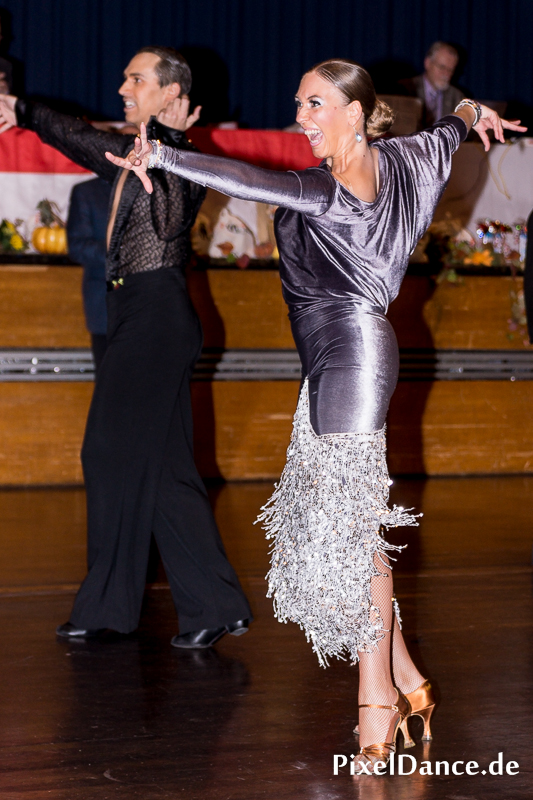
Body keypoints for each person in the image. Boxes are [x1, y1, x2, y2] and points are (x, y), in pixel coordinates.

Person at [106, 58, 525, 770]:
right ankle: (409, 680)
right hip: (342, 358)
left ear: (355, 113)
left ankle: (375, 699)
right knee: (337, 525)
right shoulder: (410, 157)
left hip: (351, 356)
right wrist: (472, 112)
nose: (300, 117)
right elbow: (451, 128)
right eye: (298, 103)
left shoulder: (326, 190)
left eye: (314, 104)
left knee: (353, 532)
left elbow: (247, 180)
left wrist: (166, 155)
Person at [0, 46, 251, 647]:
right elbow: (77, 136)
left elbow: (167, 225)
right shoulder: (129, 152)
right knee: (164, 472)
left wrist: (165, 154)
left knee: (106, 453)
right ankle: (216, 605)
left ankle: (108, 608)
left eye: (136, 79)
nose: (122, 87)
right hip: (134, 314)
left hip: (156, 316)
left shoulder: (184, 160)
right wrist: (20, 110)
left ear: (171, 94)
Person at [67, 177, 111, 373]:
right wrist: (120, 250)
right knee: (108, 379)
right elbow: (77, 247)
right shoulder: (87, 191)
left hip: (147, 299)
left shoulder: (149, 187)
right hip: (104, 301)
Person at [399, 41, 464, 126]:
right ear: (427, 63)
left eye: (450, 70)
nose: (446, 74)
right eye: (442, 67)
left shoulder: (457, 97)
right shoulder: (406, 89)